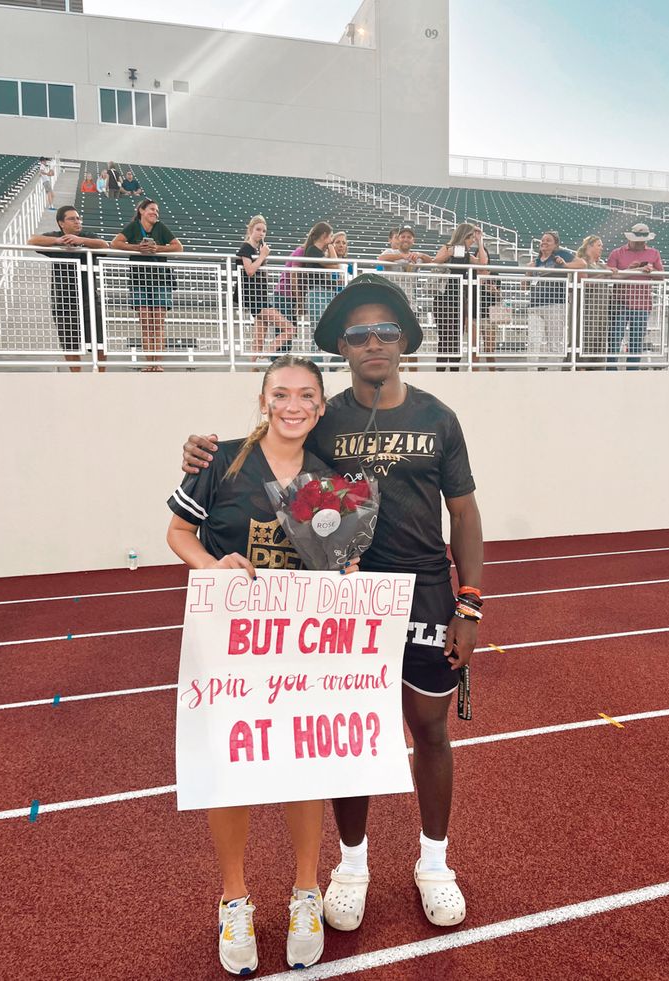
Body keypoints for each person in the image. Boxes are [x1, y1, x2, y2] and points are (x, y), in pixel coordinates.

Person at [180, 274, 484, 934]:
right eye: (358, 334)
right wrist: (203, 452)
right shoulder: (328, 415)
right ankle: (351, 865)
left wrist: (470, 603)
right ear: (342, 348)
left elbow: (464, 513)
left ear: (404, 341)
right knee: (353, 737)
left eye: (385, 332)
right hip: (343, 600)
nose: (373, 342)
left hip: (427, 591)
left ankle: (435, 863)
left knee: (429, 729)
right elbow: (273, 447)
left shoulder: (438, 417)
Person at [167, 355, 358, 976]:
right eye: (281, 394)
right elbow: (177, 534)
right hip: (228, 643)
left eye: (306, 395)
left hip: (298, 649)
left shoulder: (329, 480)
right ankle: (234, 899)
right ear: (263, 400)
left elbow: (330, 561)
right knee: (234, 769)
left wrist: (344, 573)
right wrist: (210, 566)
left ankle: (306, 893)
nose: (293, 405)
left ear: (321, 406)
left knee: (301, 767)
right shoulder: (221, 460)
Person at [28, 207, 109, 372]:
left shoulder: (88, 236)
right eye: (72, 219)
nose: (77, 221)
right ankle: (76, 379)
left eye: (78, 218)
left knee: (99, 343)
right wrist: (57, 242)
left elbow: (104, 245)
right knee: (70, 345)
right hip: (63, 302)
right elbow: (32, 241)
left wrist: (81, 241)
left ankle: (101, 377)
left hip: (89, 300)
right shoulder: (56, 237)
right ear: (61, 223)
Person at [111, 198, 183, 370]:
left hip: (161, 281)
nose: (155, 213)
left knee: (158, 323)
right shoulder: (134, 227)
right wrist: (138, 248)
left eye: (157, 211)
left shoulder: (160, 227)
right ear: (141, 211)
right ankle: (148, 363)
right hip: (139, 280)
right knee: (145, 322)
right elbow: (115, 243)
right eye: (151, 209)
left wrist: (157, 248)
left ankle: (157, 364)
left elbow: (178, 247)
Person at [235, 215, 296, 358]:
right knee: (289, 328)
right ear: (250, 230)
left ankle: (253, 368)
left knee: (259, 339)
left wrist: (262, 255)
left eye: (264, 231)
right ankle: (266, 354)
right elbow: (249, 270)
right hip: (254, 297)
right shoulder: (246, 247)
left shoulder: (257, 249)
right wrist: (263, 256)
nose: (261, 233)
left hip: (260, 296)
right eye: (258, 229)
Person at [432, 223, 489, 370]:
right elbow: (436, 261)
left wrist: (480, 240)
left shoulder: (467, 255)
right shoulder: (448, 247)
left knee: (457, 337)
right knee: (445, 337)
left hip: (459, 299)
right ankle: (441, 372)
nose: (472, 241)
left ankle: (454, 371)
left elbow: (483, 263)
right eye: (471, 238)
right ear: (464, 236)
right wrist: (450, 253)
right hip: (444, 298)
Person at [606, 223, 664, 369]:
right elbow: (609, 276)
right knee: (614, 339)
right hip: (620, 303)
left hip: (642, 303)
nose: (641, 243)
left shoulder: (654, 253)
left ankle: (632, 371)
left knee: (636, 341)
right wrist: (631, 269)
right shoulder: (617, 253)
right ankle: (610, 369)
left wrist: (651, 271)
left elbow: (661, 276)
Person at [527, 231, 584, 368]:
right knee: (533, 341)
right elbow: (525, 285)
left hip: (556, 305)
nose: (544, 242)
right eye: (542, 240)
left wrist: (565, 266)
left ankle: (553, 372)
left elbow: (582, 263)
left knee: (554, 342)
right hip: (535, 306)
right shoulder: (536, 260)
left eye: (548, 240)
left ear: (556, 244)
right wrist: (528, 272)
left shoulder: (561, 255)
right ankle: (531, 371)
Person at [575, 235, 612, 367]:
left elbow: (617, 275)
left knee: (600, 339)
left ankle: (597, 368)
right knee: (586, 337)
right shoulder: (581, 262)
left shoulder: (601, 265)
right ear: (589, 246)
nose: (601, 248)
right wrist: (605, 274)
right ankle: (581, 368)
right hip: (588, 308)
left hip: (602, 309)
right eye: (599, 245)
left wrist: (636, 269)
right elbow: (584, 282)